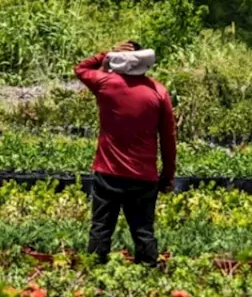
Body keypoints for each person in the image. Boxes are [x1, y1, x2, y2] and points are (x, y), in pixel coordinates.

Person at [74, 41, 177, 266]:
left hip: (108, 173)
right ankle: (148, 279)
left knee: (101, 229)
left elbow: (81, 69)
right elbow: (168, 139)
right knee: (143, 232)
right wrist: (167, 176)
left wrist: (107, 53)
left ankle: (92, 278)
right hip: (143, 177)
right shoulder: (158, 91)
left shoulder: (106, 84)